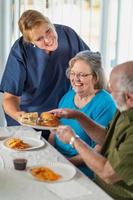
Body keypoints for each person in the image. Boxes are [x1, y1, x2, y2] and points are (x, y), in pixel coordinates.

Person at [0, 9, 90, 139]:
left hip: (65, 118)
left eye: (48, 31)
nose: (48, 39)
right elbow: (9, 99)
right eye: (39, 39)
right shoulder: (21, 51)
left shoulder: (68, 35)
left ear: (50, 23)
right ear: (31, 42)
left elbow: (93, 66)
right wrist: (22, 117)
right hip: (30, 122)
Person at [50, 61, 133, 200]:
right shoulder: (125, 109)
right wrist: (78, 115)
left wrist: (73, 139)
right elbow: (106, 137)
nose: (110, 94)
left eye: (113, 91)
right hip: (97, 186)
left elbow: (108, 173)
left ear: (129, 97)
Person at [49, 50, 116, 178]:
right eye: (73, 74)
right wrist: (49, 154)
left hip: (82, 169)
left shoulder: (106, 103)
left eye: (82, 75)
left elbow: (99, 149)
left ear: (96, 77)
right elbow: (54, 131)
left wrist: (65, 162)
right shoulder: (68, 96)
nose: (75, 79)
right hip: (57, 160)